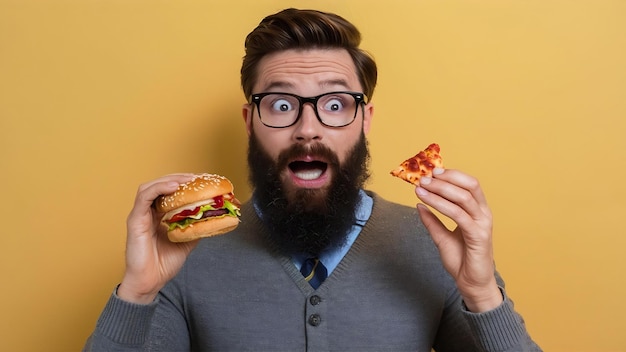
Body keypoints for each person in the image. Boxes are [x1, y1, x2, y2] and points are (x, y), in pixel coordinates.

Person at [84, 8, 541, 352]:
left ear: (365, 121)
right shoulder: (184, 253)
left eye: (336, 104)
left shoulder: (433, 244)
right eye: (282, 105)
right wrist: (137, 293)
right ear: (250, 121)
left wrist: (482, 295)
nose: (308, 129)